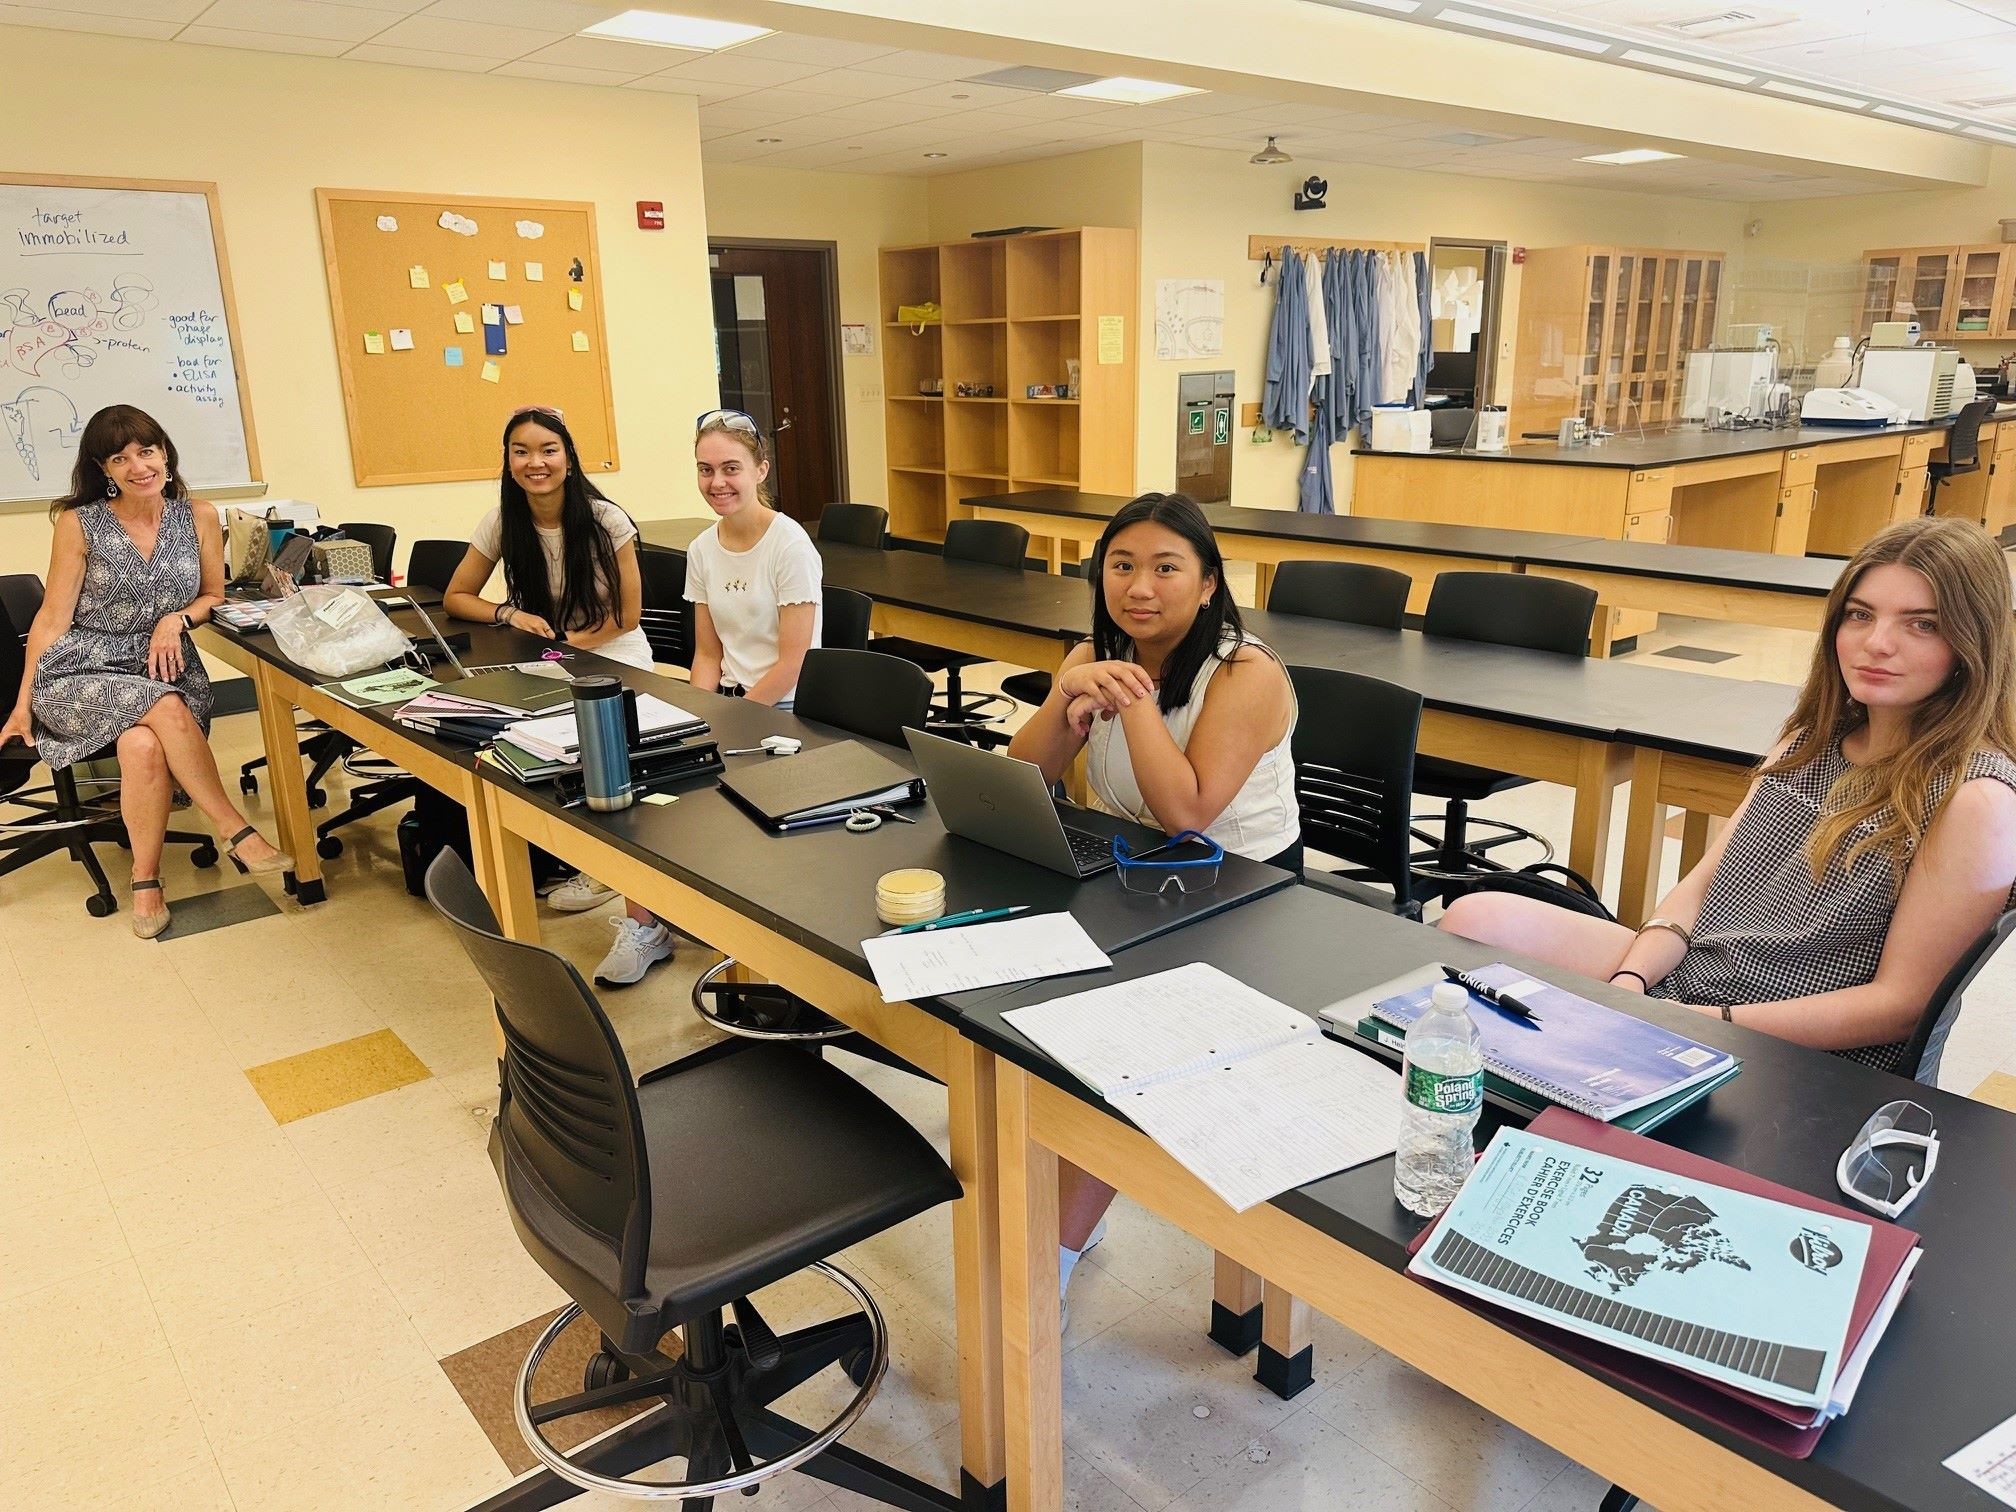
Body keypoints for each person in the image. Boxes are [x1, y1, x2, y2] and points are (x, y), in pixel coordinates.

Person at [1440, 515, 2016, 1073]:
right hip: (1700, 983)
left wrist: (1700, 1022)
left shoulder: (1976, 800)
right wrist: (1632, 984)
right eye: (1860, 615)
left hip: (1800, 1042)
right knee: (1475, 917)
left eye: (1922, 624)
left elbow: (1900, 1008)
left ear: (1973, 643)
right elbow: (1703, 886)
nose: (1878, 643)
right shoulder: (1811, 740)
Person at [1007, 490, 1300, 1315]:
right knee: (1021, 1008)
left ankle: (1056, 1248)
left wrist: (1130, 700)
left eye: (1166, 568)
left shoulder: (1246, 672)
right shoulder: (1093, 652)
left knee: (1119, 1039)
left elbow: (1189, 811)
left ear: (1208, 584)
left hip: (1245, 896)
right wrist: (1068, 696)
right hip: (1137, 879)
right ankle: (1063, 1187)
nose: (1140, 586)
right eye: (1122, 566)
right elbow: (1022, 774)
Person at [0, 404, 291, 938]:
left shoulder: (198, 515)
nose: (139, 465)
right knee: (164, 705)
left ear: (165, 454)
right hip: (81, 673)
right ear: (103, 469)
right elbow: (50, 619)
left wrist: (173, 619)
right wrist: (22, 704)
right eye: (121, 457)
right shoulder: (79, 523)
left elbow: (212, 595)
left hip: (166, 666)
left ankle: (145, 880)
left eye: (148, 450)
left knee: (142, 744)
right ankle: (236, 829)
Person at [586, 408, 822, 987]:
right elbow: (708, 656)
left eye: (732, 468)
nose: (718, 482)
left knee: (730, 807)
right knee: (645, 786)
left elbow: (793, 662)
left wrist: (728, 720)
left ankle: (759, 938)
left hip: (789, 713)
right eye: (705, 469)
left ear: (760, 469)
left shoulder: (790, 546)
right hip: (733, 705)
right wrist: (694, 715)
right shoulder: (702, 548)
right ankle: (646, 926)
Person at [443, 406, 650, 961]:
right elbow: (457, 597)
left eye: (548, 450)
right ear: (508, 460)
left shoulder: (606, 520)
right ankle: (574, 858)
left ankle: (611, 868)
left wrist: (576, 645)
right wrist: (509, 615)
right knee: (518, 742)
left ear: (568, 456)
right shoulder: (502, 521)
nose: (535, 463)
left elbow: (629, 615)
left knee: (601, 746)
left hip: (615, 651)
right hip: (547, 653)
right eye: (521, 452)